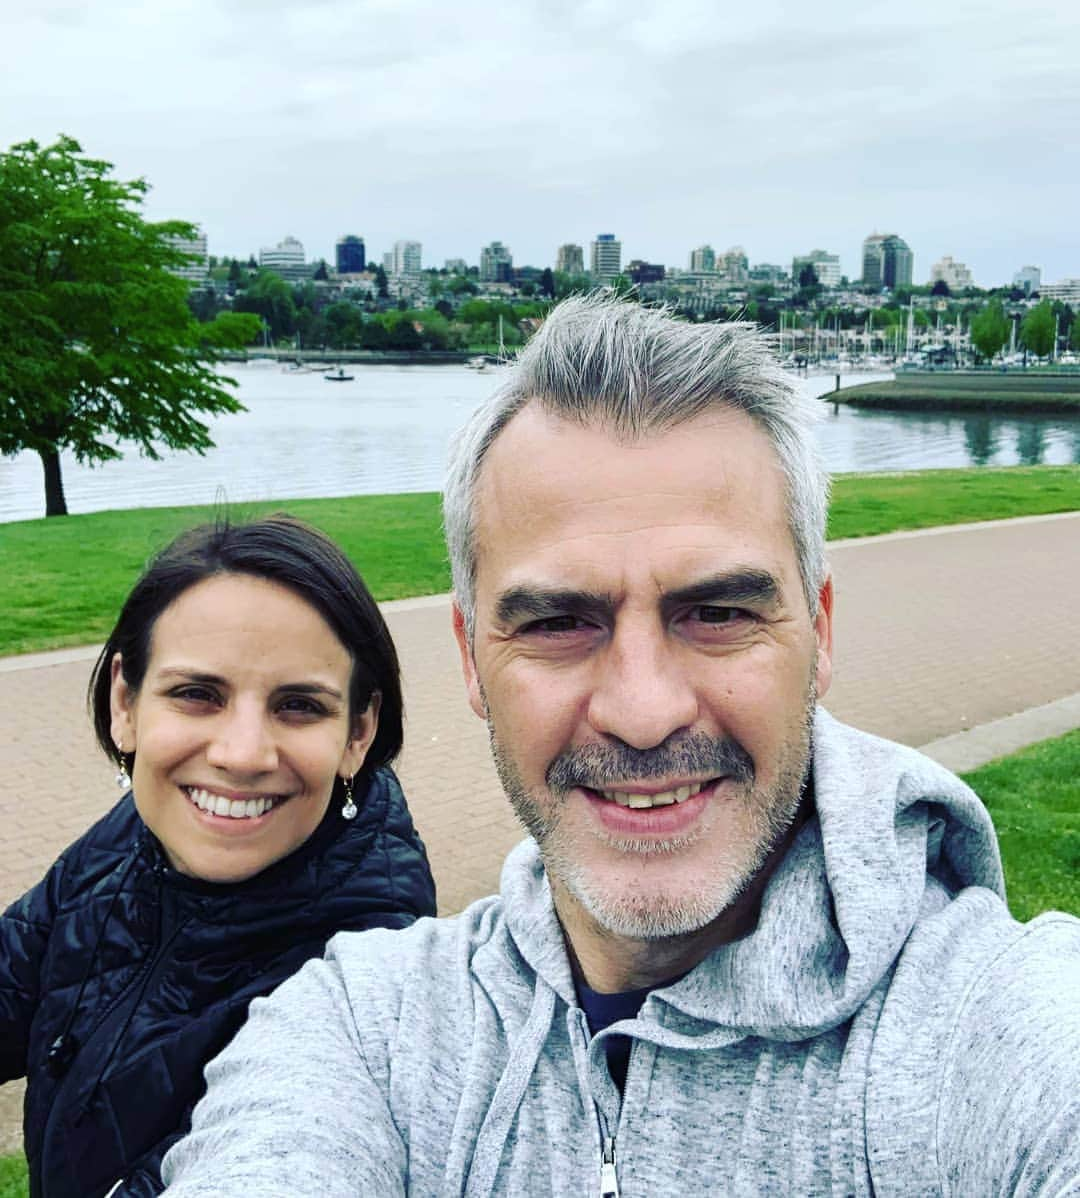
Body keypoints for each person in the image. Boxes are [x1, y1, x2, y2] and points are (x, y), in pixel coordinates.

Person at [162, 297, 1079, 1196]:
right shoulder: (366, 1030)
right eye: (560, 622)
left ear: (820, 631)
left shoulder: (991, 1024)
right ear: (472, 660)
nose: (643, 713)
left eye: (718, 613)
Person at [1, 516, 436, 1198]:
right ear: (126, 702)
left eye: (298, 706)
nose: (240, 755)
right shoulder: (138, 834)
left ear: (359, 731)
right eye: (197, 695)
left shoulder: (368, 973)